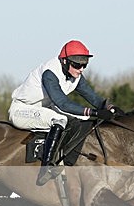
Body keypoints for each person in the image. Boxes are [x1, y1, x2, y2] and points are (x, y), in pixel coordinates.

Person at [9, 40, 124, 185]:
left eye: (84, 65)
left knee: (81, 119)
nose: (81, 68)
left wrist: (109, 107)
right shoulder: (49, 73)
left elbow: (93, 97)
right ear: (64, 61)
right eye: (77, 64)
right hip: (22, 109)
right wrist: (96, 113)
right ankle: (47, 166)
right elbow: (63, 103)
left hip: (45, 108)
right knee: (61, 119)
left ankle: (68, 161)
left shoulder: (75, 75)